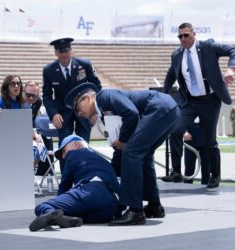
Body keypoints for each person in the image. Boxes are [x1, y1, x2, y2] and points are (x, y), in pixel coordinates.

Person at [64, 82, 180, 225]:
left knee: (131, 153)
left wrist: (123, 141)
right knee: (143, 154)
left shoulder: (104, 97)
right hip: (168, 109)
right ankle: (154, 206)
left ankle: (135, 211)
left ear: (87, 99)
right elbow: (120, 140)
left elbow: (131, 113)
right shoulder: (103, 112)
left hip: (159, 108)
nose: (79, 114)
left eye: (77, 108)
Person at [161, 22, 235, 188]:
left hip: (210, 101)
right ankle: (177, 172)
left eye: (186, 35)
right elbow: (171, 74)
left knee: (209, 141)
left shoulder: (208, 46)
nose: (183, 39)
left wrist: (231, 70)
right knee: (175, 130)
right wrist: (164, 95)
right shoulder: (177, 55)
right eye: (180, 36)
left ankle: (215, 175)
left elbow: (232, 49)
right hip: (189, 101)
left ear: (194, 34)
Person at [29, 135, 121, 231]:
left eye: (64, 151)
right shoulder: (104, 161)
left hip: (91, 192)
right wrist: (118, 213)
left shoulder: (74, 153)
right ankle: (64, 218)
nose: (64, 157)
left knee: (43, 206)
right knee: (76, 213)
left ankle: (53, 215)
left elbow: (65, 185)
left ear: (76, 144)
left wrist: (58, 201)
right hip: (110, 207)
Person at [42, 37, 102, 171]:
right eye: (60, 51)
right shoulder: (48, 70)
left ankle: (84, 177)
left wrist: (94, 109)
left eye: (66, 50)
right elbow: (46, 96)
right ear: (56, 53)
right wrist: (54, 114)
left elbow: (97, 87)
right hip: (63, 114)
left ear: (71, 51)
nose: (64, 54)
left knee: (84, 146)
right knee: (65, 148)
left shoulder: (84, 64)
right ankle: (66, 181)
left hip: (85, 112)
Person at [23, 81, 54, 176]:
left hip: (28, 128)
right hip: (17, 130)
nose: (31, 98)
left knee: (45, 139)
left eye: (34, 96)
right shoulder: (18, 101)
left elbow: (31, 120)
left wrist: (35, 134)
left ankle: (44, 172)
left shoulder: (39, 101)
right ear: (23, 92)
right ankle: (25, 171)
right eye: (28, 95)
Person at [182, 120, 210, 185]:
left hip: (206, 139)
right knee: (189, 169)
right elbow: (183, 119)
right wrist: (184, 132)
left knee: (206, 169)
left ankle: (206, 188)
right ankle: (186, 188)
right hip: (190, 139)